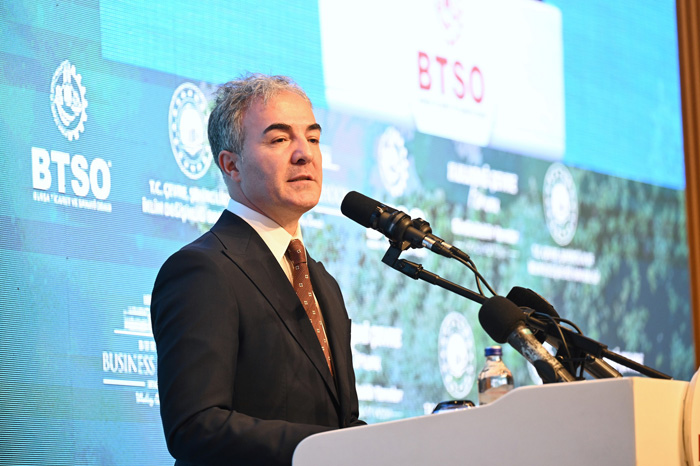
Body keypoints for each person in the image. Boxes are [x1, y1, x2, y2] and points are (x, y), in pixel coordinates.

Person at [150, 73, 364, 466]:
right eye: (280, 139)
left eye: (313, 138)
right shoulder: (202, 271)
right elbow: (195, 426)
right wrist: (328, 447)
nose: (304, 154)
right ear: (231, 165)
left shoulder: (323, 284)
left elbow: (342, 422)